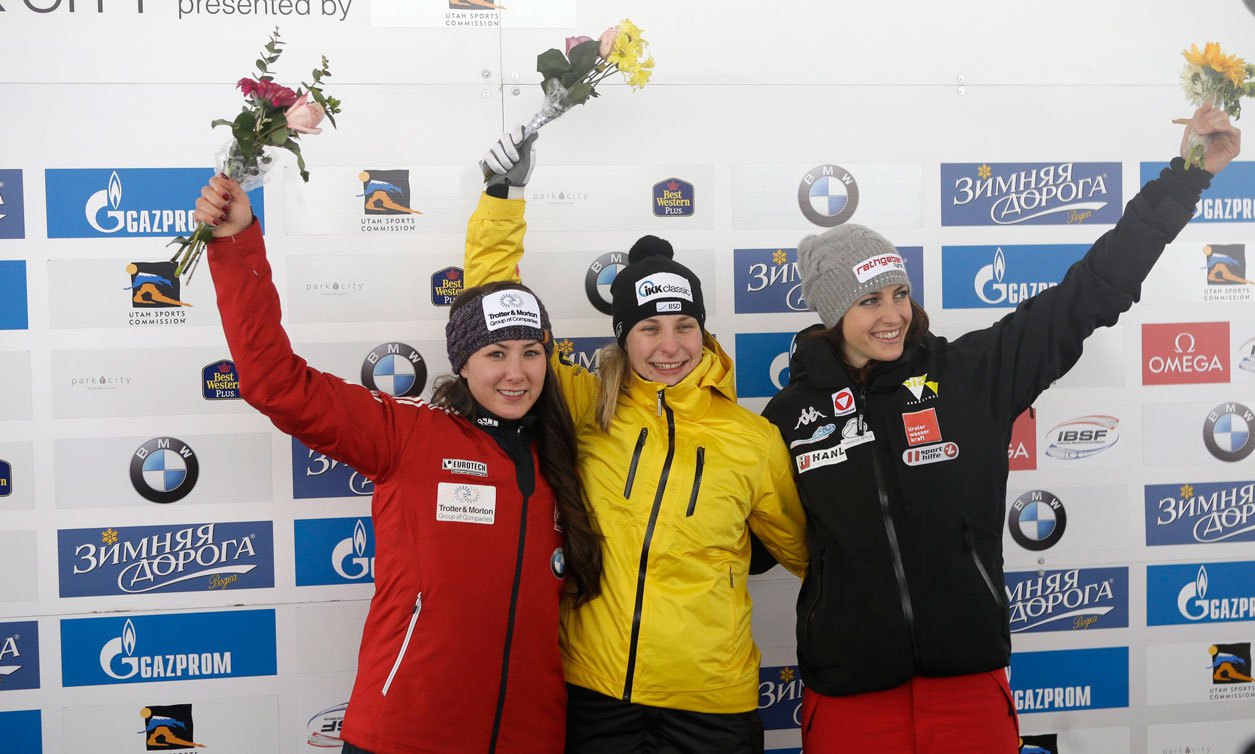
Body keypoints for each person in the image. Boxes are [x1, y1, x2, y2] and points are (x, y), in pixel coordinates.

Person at [759, 104, 1241, 753]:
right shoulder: (790, 416)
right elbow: (758, 542)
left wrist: (1184, 176)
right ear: (831, 311)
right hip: (849, 696)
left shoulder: (971, 375)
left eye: (899, 294)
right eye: (869, 301)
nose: (893, 315)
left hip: (966, 683)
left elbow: (1092, 292)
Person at [194, 174, 602, 754]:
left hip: (529, 735)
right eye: (495, 354)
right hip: (405, 734)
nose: (516, 372)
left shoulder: (562, 454)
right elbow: (276, 384)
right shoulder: (408, 435)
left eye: (531, 352)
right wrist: (236, 245)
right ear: (462, 363)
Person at [469, 128, 808, 753]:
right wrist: (502, 195)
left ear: (703, 332)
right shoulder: (582, 403)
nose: (671, 345)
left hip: (711, 703)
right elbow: (494, 304)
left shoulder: (751, 440)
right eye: (650, 328)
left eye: (685, 326)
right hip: (596, 695)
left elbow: (814, 557)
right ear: (623, 335)